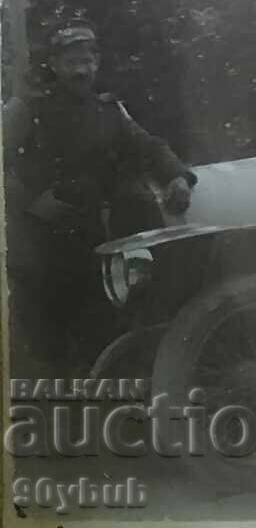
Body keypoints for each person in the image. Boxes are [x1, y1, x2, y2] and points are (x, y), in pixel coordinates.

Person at [3, 18, 196, 375]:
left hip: (94, 238)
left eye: (89, 60)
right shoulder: (29, 110)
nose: (83, 70)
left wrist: (177, 176)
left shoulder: (108, 109)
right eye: (73, 61)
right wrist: (30, 200)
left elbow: (148, 144)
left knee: (100, 327)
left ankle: (95, 402)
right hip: (40, 242)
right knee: (42, 343)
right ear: (55, 64)